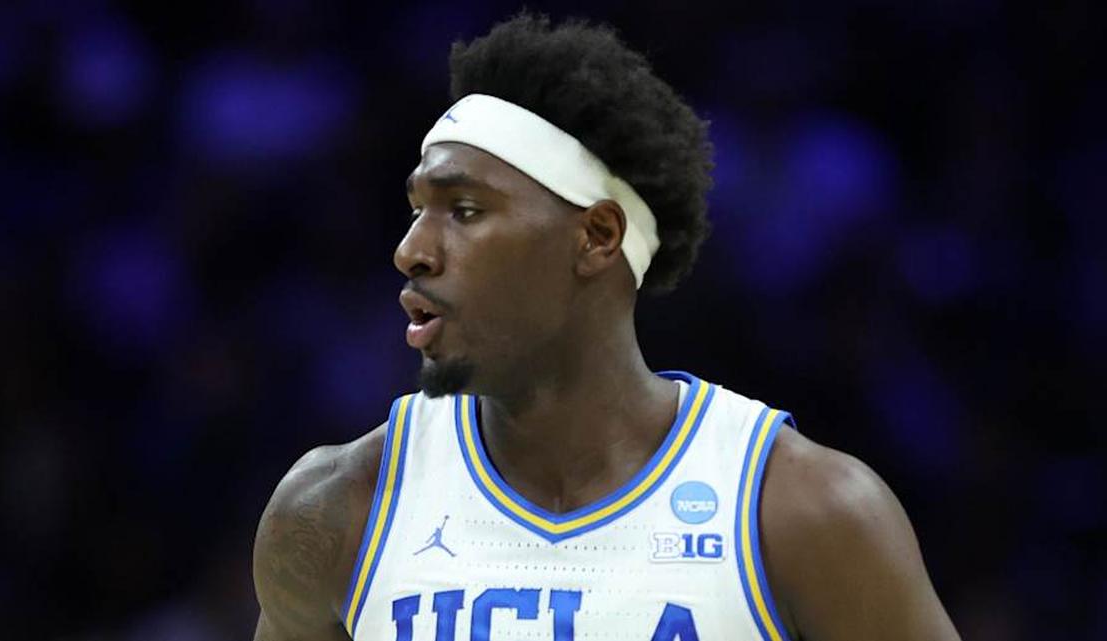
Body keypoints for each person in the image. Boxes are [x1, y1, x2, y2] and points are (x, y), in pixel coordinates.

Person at [252, 13, 960, 641]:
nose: (412, 250)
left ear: (596, 236)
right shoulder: (334, 508)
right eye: (417, 209)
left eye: (464, 210)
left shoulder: (804, 510)